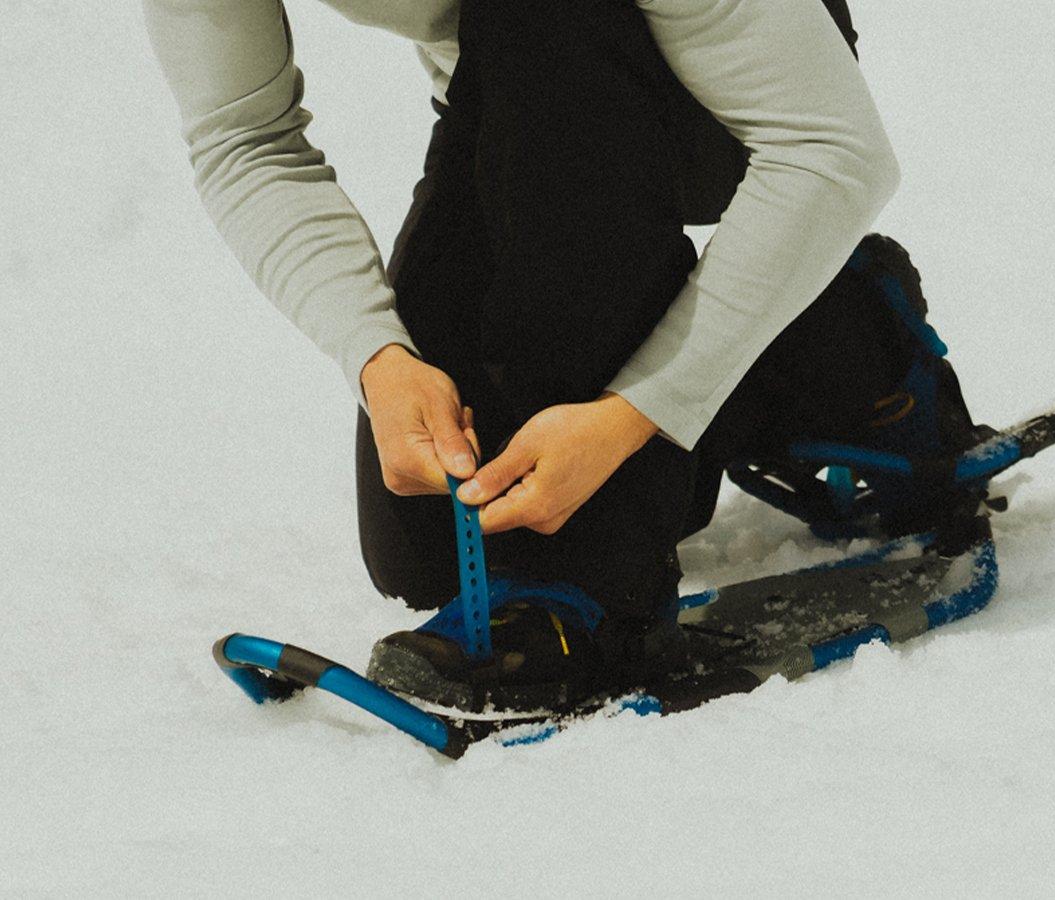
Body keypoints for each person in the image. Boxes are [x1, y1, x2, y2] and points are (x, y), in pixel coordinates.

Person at [144, 0, 985, 713]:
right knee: (430, 545)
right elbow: (244, 138)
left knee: (543, 19)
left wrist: (635, 414)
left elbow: (833, 150)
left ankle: (619, 565)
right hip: (508, 98)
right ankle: (821, 341)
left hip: (739, 88)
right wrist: (380, 358)